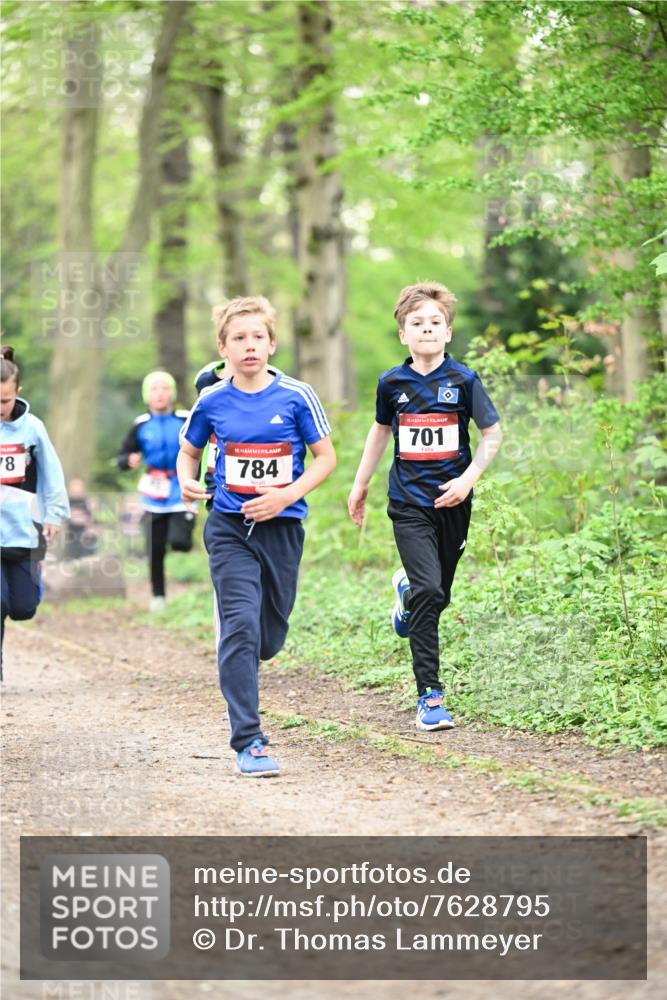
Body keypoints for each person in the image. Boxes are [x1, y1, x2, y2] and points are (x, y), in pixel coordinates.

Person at [177, 296, 336, 776]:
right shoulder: (211, 401)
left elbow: (325, 459)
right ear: (222, 348)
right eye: (239, 338)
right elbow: (188, 452)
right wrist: (186, 479)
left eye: (258, 337)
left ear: (272, 344)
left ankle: (252, 659)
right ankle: (249, 740)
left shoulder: (296, 395)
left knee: (268, 637)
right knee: (240, 627)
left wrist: (285, 496)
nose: (250, 346)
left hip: (282, 528)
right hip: (228, 527)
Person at [348, 281, 502, 731]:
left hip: (454, 501)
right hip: (409, 503)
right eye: (417, 323)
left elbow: (491, 435)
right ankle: (430, 697)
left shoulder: (464, 380)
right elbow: (379, 432)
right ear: (403, 335)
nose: (427, 329)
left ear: (448, 332)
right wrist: (361, 485)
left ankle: (407, 596)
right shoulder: (391, 383)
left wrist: (467, 479)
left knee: (438, 595)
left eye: (435, 322)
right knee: (431, 593)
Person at [0, 346, 70, 677]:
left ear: (18, 393)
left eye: (4, 401)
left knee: (23, 608)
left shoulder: (33, 429)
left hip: (24, 530)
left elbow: (52, 475)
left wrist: (54, 515)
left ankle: (34, 579)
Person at [117, 371, 194, 611]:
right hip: (153, 491)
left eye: (164, 388)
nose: (159, 394)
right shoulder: (140, 424)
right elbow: (122, 455)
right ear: (146, 396)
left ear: (172, 393)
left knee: (180, 542)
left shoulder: (185, 418)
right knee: (155, 548)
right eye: (154, 389)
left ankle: (183, 542)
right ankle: (158, 596)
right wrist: (127, 460)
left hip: (182, 488)